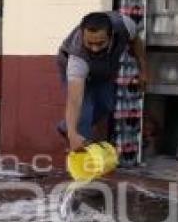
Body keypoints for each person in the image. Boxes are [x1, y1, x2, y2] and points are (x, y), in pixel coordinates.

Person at [56, 11, 148, 152]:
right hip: (76, 66)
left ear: (112, 36)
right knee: (84, 113)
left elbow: (136, 42)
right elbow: (75, 100)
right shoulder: (77, 59)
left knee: (107, 104)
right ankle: (83, 161)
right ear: (82, 34)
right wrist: (73, 134)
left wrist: (143, 70)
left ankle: (66, 126)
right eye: (89, 43)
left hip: (105, 68)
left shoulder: (125, 25)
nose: (95, 48)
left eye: (100, 43)